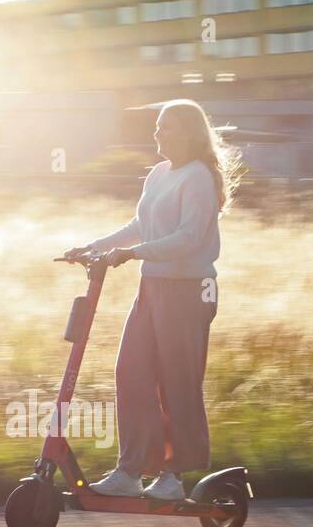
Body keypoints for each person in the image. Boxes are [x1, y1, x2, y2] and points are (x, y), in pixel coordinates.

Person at [63, 98, 241, 501]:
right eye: (157, 126)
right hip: (153, 287)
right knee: (131, 372)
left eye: (166, 127)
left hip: (187, 290)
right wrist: (94, 246)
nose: (157, 133)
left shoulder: (197, 177)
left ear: (189, 133)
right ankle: (131, 471)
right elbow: (141, 225)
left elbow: (188, 239)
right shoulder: (160, 173)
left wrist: (133, 254)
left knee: (176, 382)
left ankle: (173, 477)